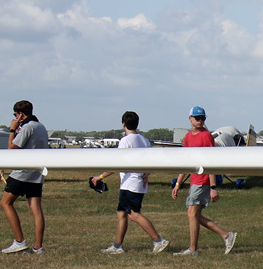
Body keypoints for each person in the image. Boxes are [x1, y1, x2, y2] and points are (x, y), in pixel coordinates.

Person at [92, 111, 169, 255]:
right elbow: (152, 161)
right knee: (121, 213)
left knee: (134, 214)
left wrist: (100, 177)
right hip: (135, 183)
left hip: (131, 184)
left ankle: (158, 240)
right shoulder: (144, 140)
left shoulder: (125, 141)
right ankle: (117, 245)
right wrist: (146, 174)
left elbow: (117, 164)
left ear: (123, 124)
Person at [171, 106, 237, 255]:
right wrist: (178, 183)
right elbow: (186, 163)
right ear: (190, 119)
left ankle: (194, 249)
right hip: (195, 180)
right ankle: (226, 236)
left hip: (203, 180)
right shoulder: (188, 137)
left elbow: (210, 162)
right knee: (194, 215)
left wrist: (213, 187)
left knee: (193, 214)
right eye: (198, 118)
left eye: (203, 118)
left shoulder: (206, 136)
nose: (200, 121)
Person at [1, 100, 48, 254]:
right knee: (36, 209)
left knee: (5, 203)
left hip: (22, 172)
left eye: (15, 115)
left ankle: (19, 240)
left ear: (20, 114)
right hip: (37, 173)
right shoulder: (41, 126)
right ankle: (38, 247)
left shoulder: (27, 127)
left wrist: (12, 129)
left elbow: (11, 148)